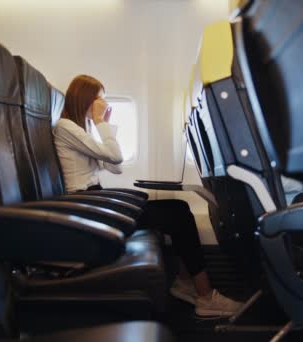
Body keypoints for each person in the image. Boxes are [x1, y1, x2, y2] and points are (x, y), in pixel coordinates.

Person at [53, 75, 243, 317]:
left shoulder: (81, 129)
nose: (103, 105)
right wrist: (102, 123)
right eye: (99, 100)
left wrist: (102, 129)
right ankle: (205, 297)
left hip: (96, 201)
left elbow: (114, 166)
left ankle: (186, 283)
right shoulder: (65, 127)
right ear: (85, 99)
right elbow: (116, 157)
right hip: (88, 207)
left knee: (180, 208)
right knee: (177, 215)